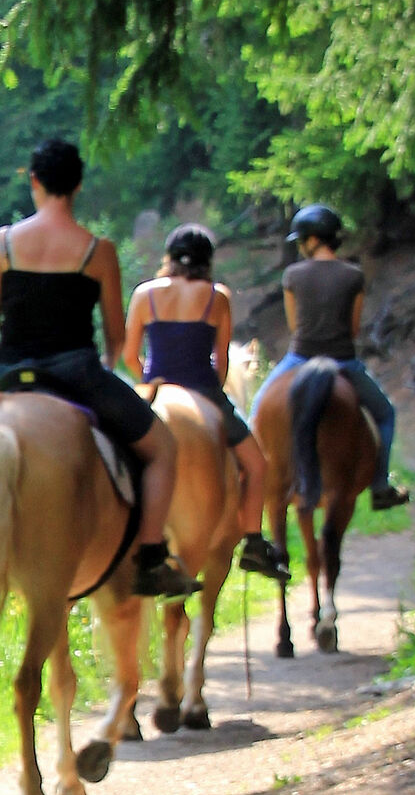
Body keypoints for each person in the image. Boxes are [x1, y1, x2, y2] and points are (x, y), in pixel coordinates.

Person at [0, 138, 199, 601]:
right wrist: (109, 370)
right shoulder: (97, 251)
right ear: (78, 185)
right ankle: (151, 557)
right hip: (76, 374)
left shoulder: (3, 243)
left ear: (34, 182)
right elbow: (114, 338)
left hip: (9, 376)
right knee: (162, 448)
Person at [122, 224, 290, 581]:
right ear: (207, 260)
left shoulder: (145, 293)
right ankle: (254, 541)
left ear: (169, 256)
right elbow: (223, 359)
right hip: (203, 390)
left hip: (153, 390)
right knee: (257, 465)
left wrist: (148, 380)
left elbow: (129, 354)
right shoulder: (218, 296)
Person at [263, 203, 409, 509]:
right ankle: (381, 485)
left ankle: (259, 480)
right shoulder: (354, 275)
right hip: (343, 361)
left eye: (302, 240)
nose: (301, 246)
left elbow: (294, 326)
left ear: (313, 240)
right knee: (385, 414)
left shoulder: (292, 275)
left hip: (300, 357)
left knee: (257, 409)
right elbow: (353, 329)